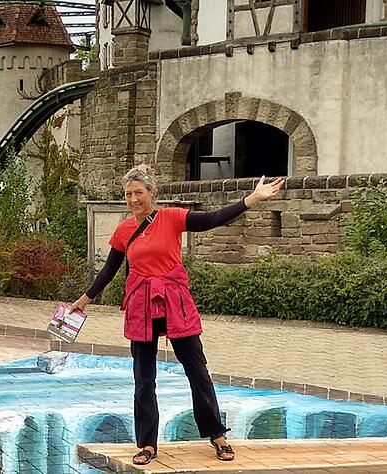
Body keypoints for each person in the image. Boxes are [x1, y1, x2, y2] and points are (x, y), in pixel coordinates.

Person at [70, 165, 284, 464]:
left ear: (151, 194)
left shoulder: (172, 217)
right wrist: (85, 298)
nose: (133, 199)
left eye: (139, 193)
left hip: (174, 301)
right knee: (144, 379)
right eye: (128, 194)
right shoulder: (123, 230)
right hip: (141, 306)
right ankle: (147, 444)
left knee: (197, 371)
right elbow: (110, 269)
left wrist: (252, 198)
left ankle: (217, 435)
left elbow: (211, 219)